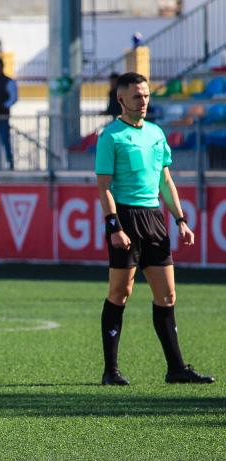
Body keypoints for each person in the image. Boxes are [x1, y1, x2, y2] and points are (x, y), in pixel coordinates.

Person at [95, 72, 214, 386]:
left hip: (154, 220)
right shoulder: (111, 136)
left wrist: (180, 220)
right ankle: (111, 371)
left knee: (168, 294)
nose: (143, 101)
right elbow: (104, 187)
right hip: (125, 218)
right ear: (121, 99)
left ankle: (176, 369)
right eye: (137, 96)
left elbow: (165, 181)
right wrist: (114, 227)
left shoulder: (157, 134)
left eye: (146, 95)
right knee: (120, 293)